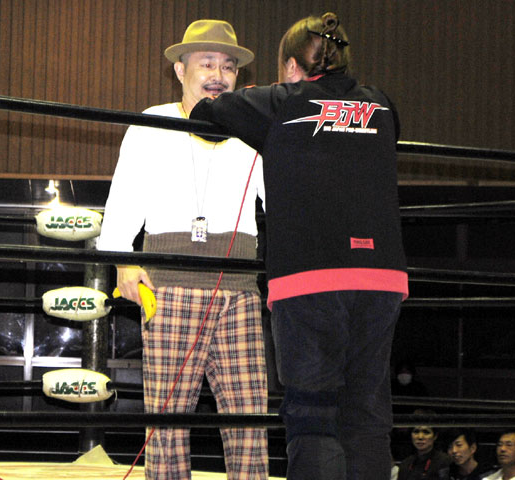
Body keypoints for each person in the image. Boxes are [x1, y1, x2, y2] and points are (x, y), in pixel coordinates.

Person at [191, 11, 408, 480]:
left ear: (292, 66)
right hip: (383, 278)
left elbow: (203, 117)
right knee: (367, 412)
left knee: (312, 411)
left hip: (311, 279)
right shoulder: (381, 104)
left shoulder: (281, 101)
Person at [97, 19, 269, 480]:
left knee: (249, 421)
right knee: (167, 426)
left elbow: (282, 202)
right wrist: (124, 263)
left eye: (228, 66)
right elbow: (123, 202)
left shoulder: (254, 130)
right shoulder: (151, 123)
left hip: (238, 289)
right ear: (180, 69)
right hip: (169, 286)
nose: (218, 74)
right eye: (207, 63)